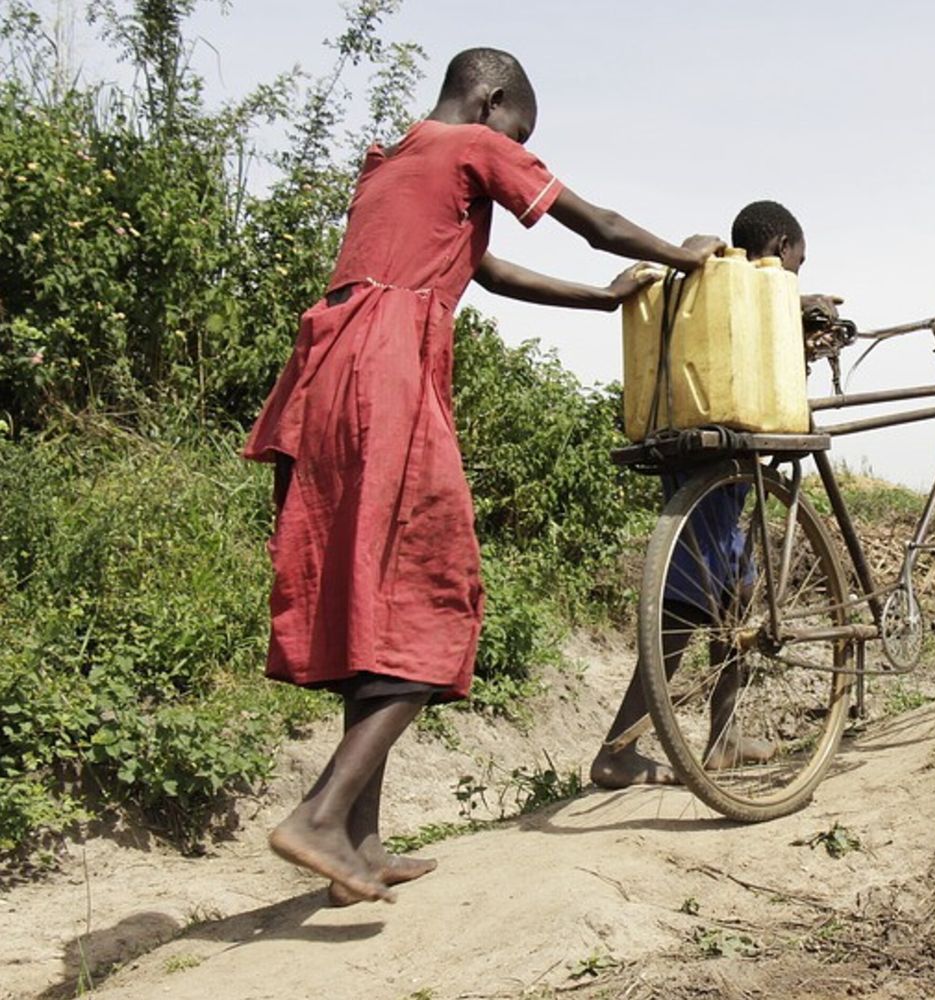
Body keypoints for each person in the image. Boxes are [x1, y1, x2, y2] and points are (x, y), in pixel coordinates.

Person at [242, 46, 724, 905]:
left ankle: (359, 839)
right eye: (521, 129)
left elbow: (485, 271)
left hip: (326, 374)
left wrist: (602, 299)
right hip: (387, 370)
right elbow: (598, 223)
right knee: (439, 592)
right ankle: (319, 815)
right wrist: (688, 261)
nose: (520, 146)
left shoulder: (394, 162)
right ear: (494, 100)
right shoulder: (474, 145)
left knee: (374, 600)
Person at [591, 199, 839, 789]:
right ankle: (617, 752)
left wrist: (796, 315)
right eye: (796, 265)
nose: (795, 276)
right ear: (780, 248)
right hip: (712, 459)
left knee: (738, 592)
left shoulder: (735, 299)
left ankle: (724, 734)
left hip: (712, 457)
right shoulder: (717, 274)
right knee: (687, 603)